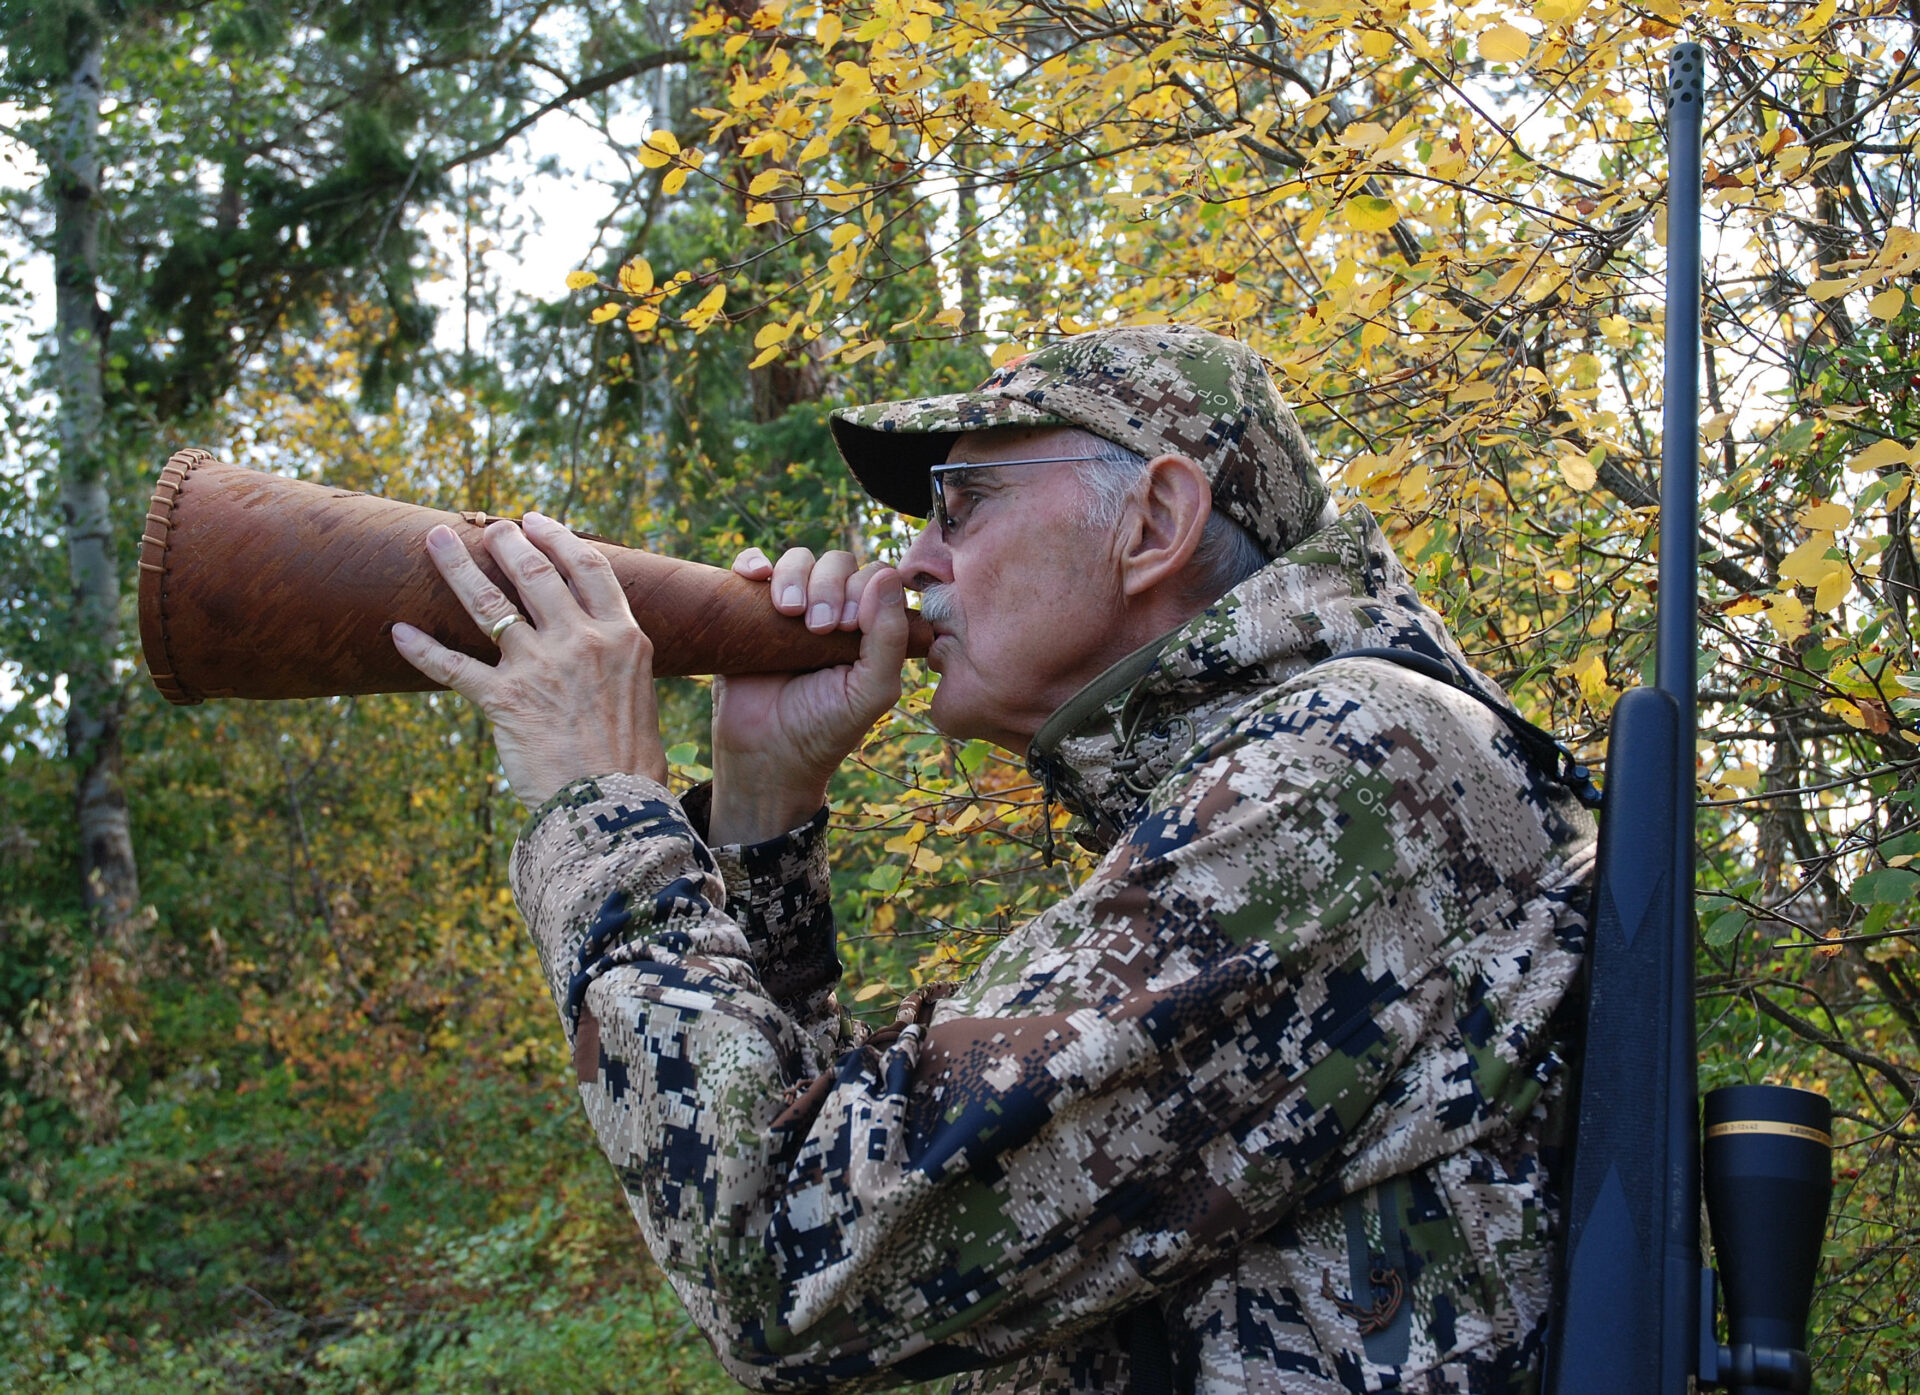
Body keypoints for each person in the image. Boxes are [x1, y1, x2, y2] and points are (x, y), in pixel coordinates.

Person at [392, 324, 1597, 1394]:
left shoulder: (1353, 769)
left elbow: (782, 1261)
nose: (913, 564)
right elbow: (858, 1255)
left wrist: (602, 808)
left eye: (961, 505)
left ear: (1158, 523)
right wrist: (760, 808)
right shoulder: (1299, 776)